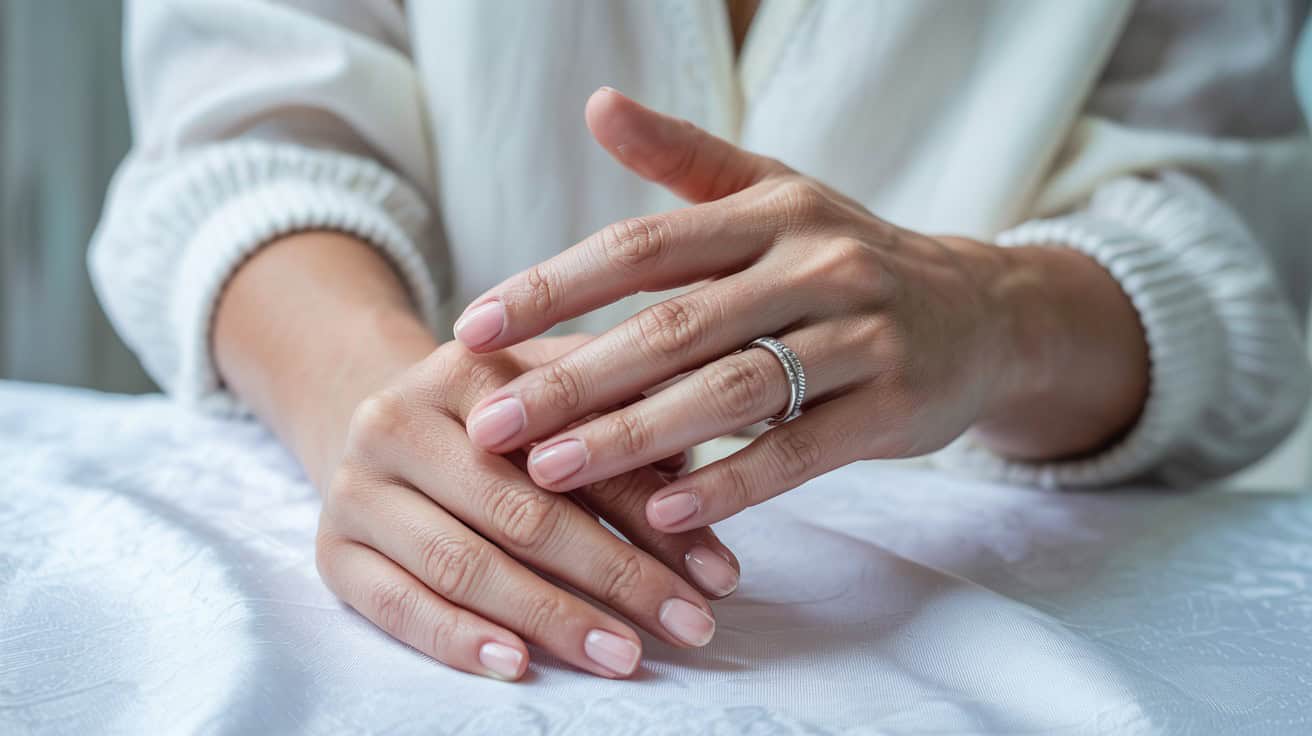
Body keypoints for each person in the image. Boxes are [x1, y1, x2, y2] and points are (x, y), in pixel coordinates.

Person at [89, 0, 1312, 681]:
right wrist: (395, 411)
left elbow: (1240, 236)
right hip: (441, 624)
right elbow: (238, 139)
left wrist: (997, 316)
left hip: (1026, 610)